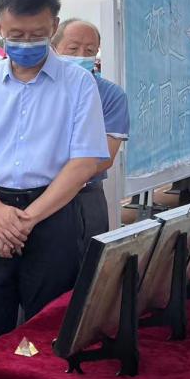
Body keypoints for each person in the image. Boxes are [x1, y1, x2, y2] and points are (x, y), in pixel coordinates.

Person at [0, 0, 109, 356]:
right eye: (16, 35)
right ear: (0, 28)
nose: (26, 43)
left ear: (53, 26)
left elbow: (84, 162)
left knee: (48, 328)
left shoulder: (79, 84)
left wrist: (26, 220)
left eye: (37, 34)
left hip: (53, 215)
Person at [52, 19, 130, 243]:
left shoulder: (112, 95)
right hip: (33, 194)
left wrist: (56, 179)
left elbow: (105, 157)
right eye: (73, 48)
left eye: (89, 50)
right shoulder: (38, 88)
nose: (81, 55)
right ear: (54, 49)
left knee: (86, 261)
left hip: (84, 198)